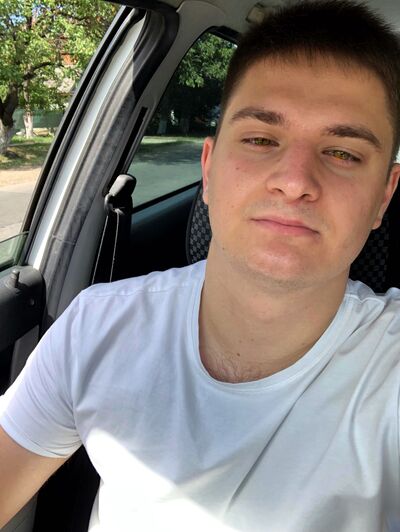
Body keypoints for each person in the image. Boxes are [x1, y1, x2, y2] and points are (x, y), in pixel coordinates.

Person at [1, 1, 400, 530]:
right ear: (208, 170)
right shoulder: (95, 327)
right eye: (261, 140)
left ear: (384, 196)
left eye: (343, 153)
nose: (295, 181)